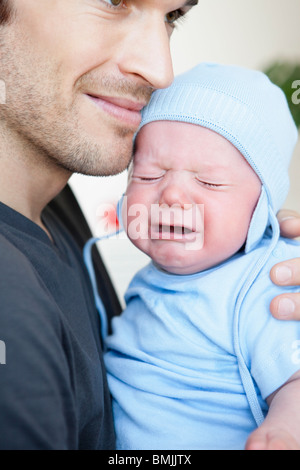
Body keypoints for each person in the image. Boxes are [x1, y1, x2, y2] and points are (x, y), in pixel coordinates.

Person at [0, 0, 299, 450]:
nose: (161, 70)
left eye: (173, 16)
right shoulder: (13, 300)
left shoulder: (54, 206)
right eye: (113, 0)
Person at [103, 63, 300, 450]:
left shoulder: (267, 284)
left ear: (261, 208)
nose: (172, 195)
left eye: (209, 181)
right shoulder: (149, 279)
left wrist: (285, 433)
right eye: (147, 176)